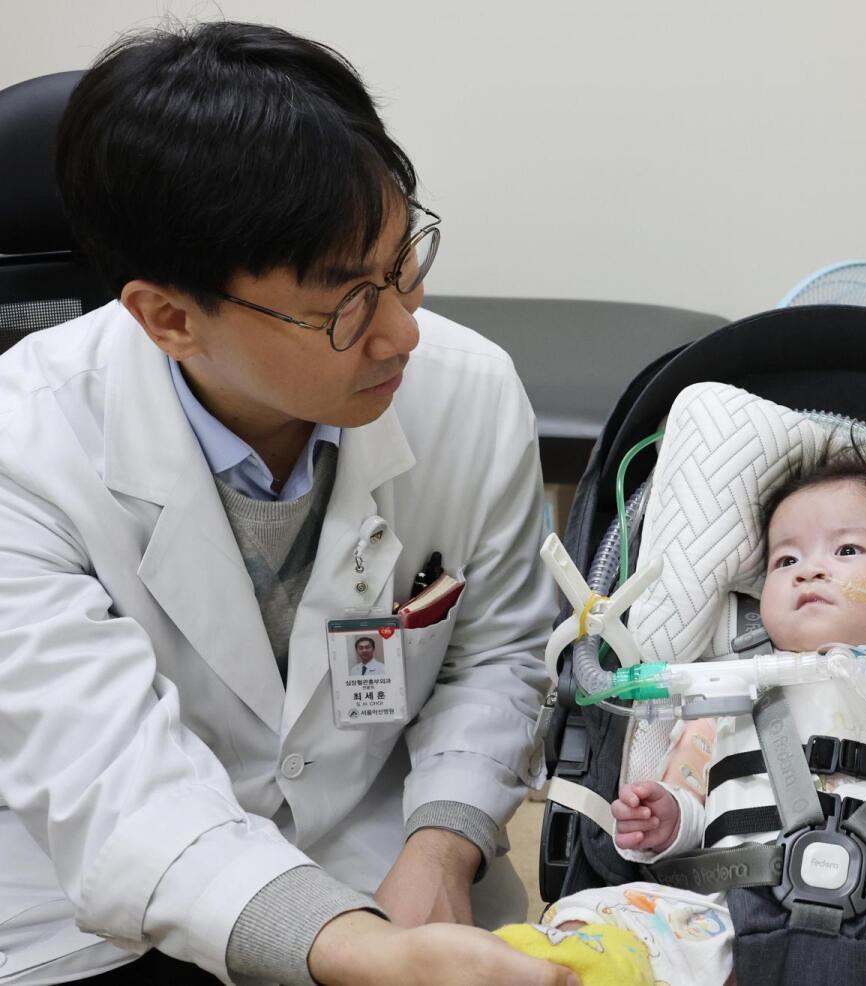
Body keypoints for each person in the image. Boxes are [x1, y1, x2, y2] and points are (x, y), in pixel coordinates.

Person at [0, 22, 576, 986]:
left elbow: (496, 652)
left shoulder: (469, 389)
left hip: (379, 857)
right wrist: (363, 951)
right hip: (92, 913)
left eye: (402, 263)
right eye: (344, 304)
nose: (403, 333)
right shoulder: (25, 449)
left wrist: (443, 845)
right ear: (169, 318)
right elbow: (110, 782)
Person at [502, 449, 866, 985]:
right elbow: (692, 795)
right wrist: (665, 820)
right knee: (589, 923)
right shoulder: (728, 684)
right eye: (786, 560)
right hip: (726, 912)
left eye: (847, 550)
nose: (809, 571)